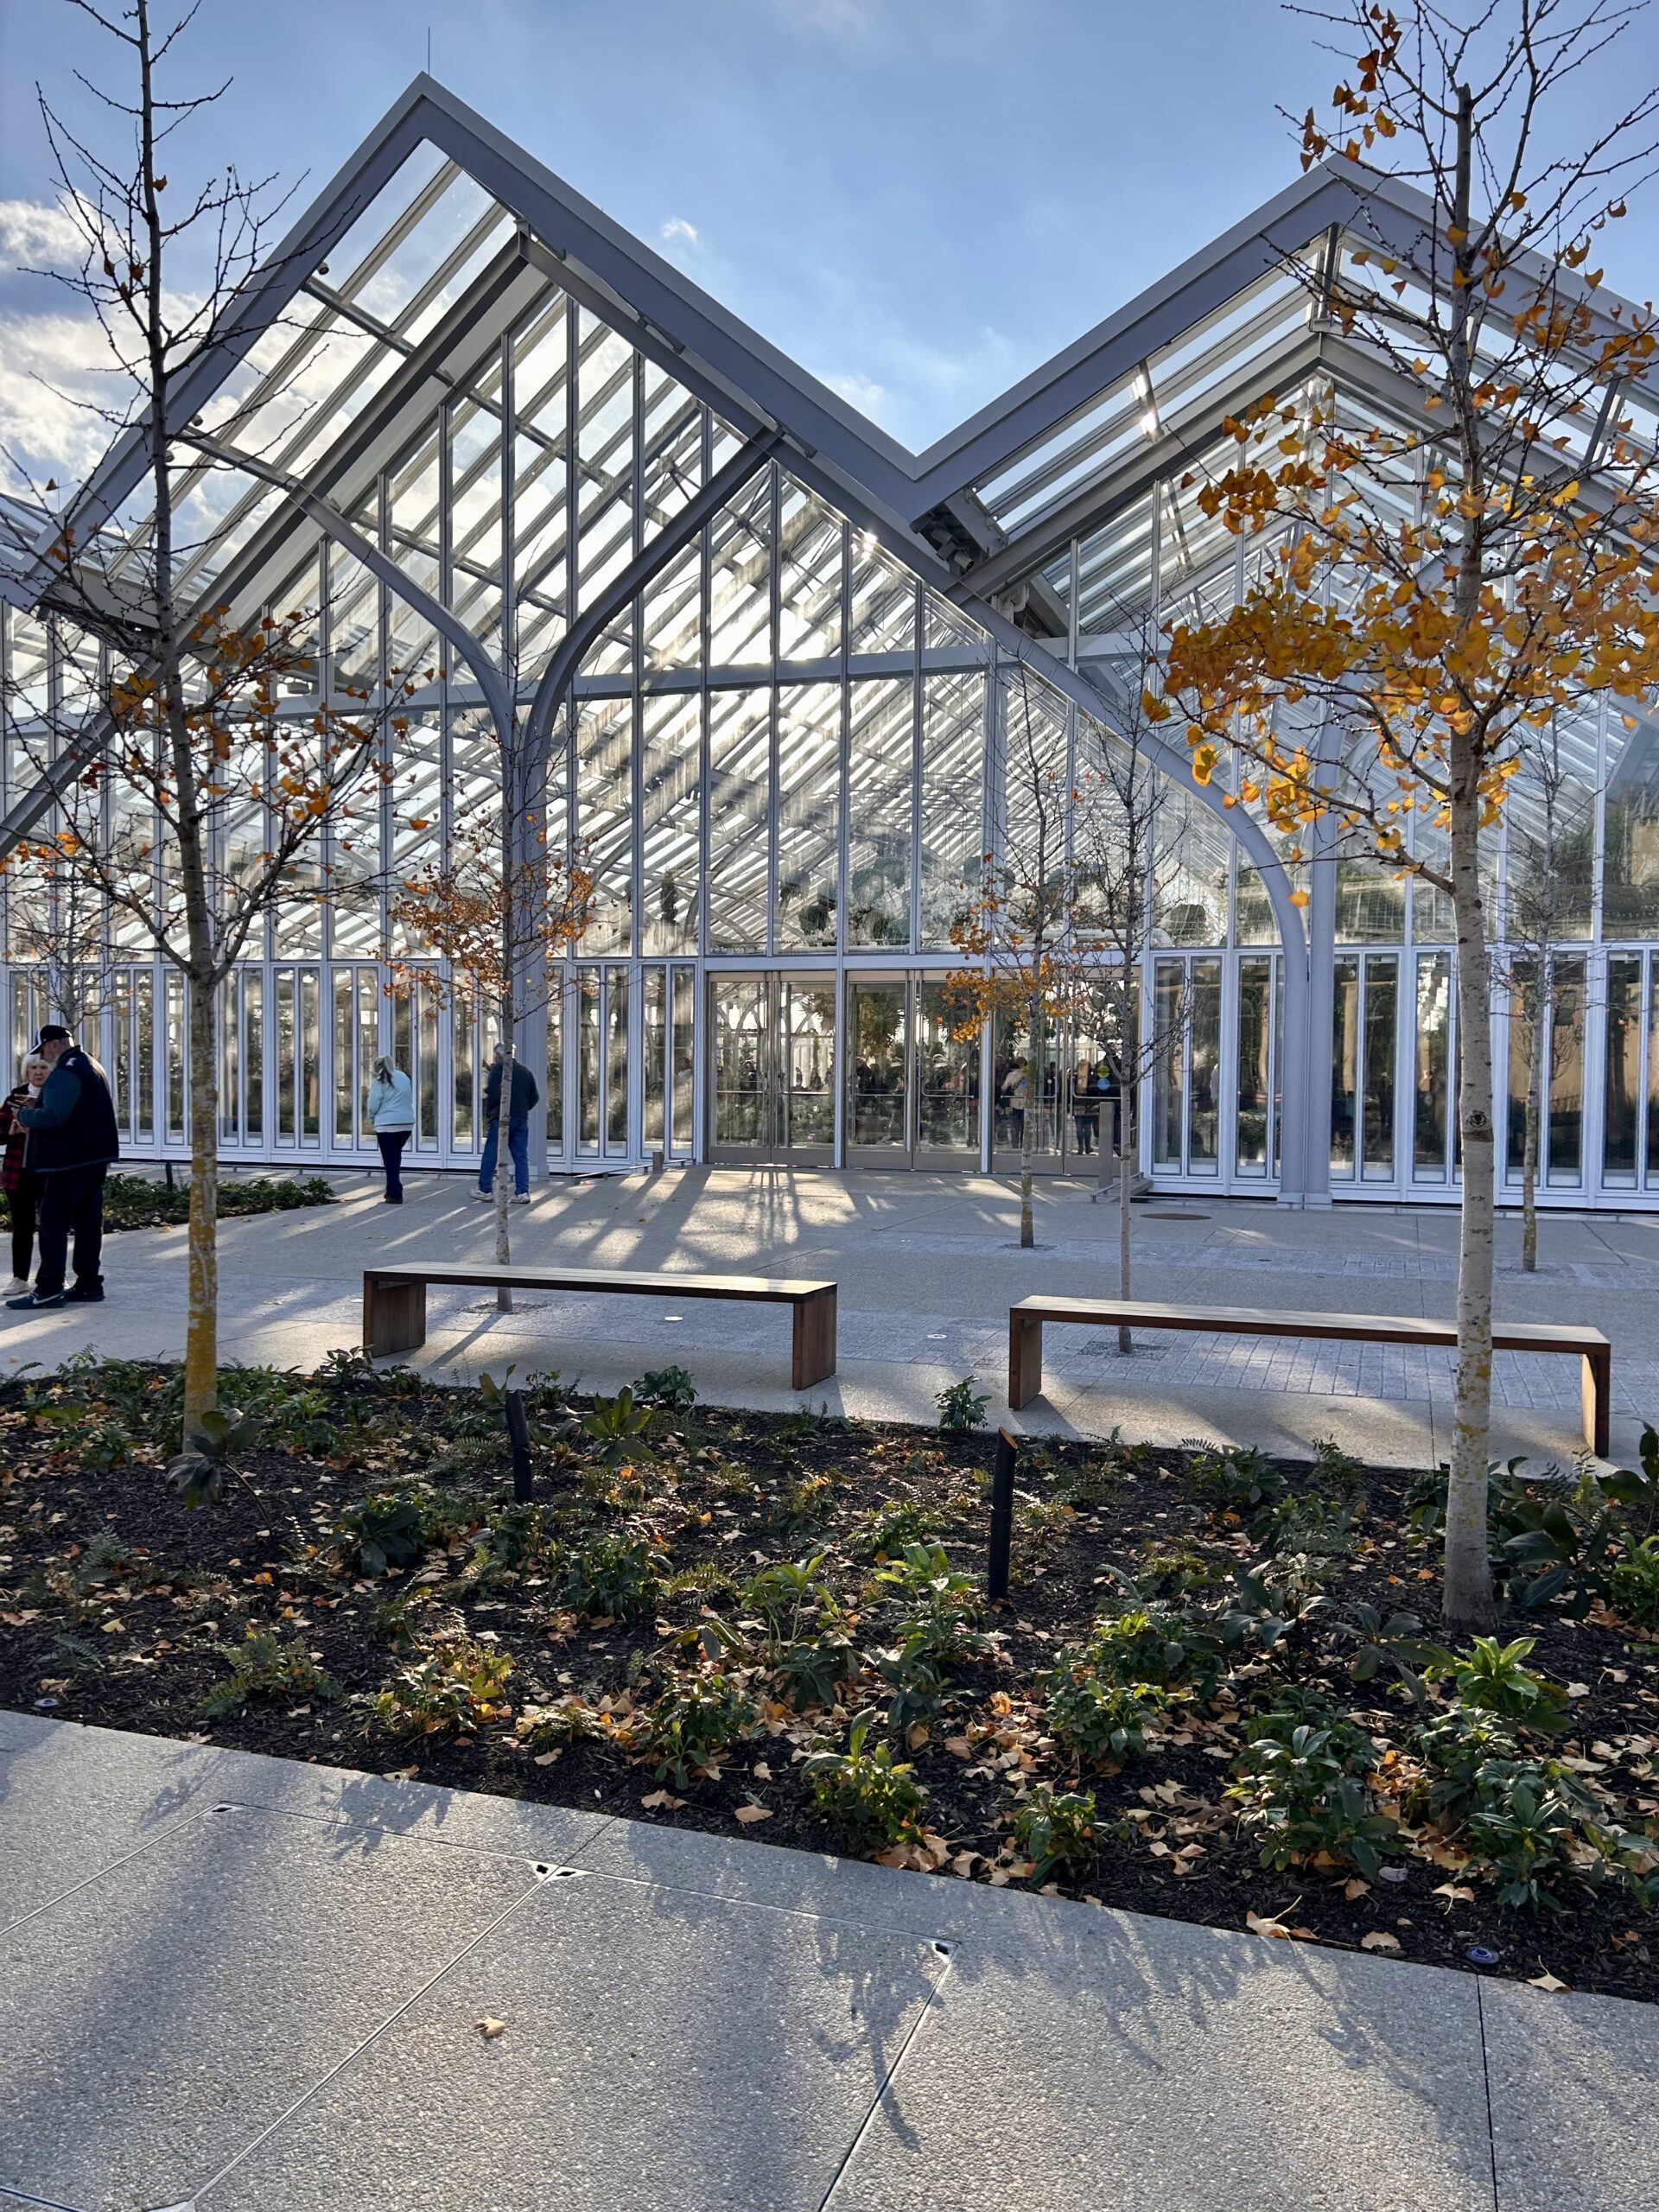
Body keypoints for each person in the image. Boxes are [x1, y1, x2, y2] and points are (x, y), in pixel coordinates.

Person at [6, 1024, 120, 1310]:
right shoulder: (91, 1064)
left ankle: (49, 1288)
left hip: (65, 1163)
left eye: (43, 1049)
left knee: (53, 1225)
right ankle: (89, 1284)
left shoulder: (66, 1071)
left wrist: (25, 1114)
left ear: (54, 1044)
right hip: (92, 1159)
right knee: (87, 1224)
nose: (44, 1056)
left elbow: (53, 1116)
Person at [0, 1054, 50, 1293]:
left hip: (48, 1170)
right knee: (22, 1227)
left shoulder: (56, 1096)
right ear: (26, 1071)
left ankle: (52, 1277)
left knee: (52, 1226)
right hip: (17, 1172)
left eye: (43, 1067)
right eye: (33, 1068)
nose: (38, 1072)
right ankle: (20, 1278)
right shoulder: (14, 1097)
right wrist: (11, 1131)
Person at [478, 1043, 539, 1205]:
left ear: (498, 1056)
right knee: (521, 1156)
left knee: (491, 1153)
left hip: (501, 1117)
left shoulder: (499, 1070)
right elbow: (535, 1097)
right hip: (521, 1118)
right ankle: (522, 1191)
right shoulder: (526, 1072)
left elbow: (493, 1093)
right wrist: (523, 1109)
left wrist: (490, 1112)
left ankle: (485, 1189)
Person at [365, 1055, 415, 1204]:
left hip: (387, 1125)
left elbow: (373, 1104)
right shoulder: (403, 1077)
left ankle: (396, 1193)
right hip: (406, 1124)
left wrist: (372, 1119)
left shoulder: (379, 1081)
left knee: (389, 1160)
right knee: (395, 1157)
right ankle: (390, 1189)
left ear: (377, 1067)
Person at [1071, 1058, 1098, 1156]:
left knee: (1079, 1126)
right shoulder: (1092, 1078)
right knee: (1087, 1127)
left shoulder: (1074, 1078)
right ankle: (1087, 1147)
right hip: (1089, 1105)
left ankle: (1080, 1147)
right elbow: (1095, 1091)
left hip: (1077, 1104)